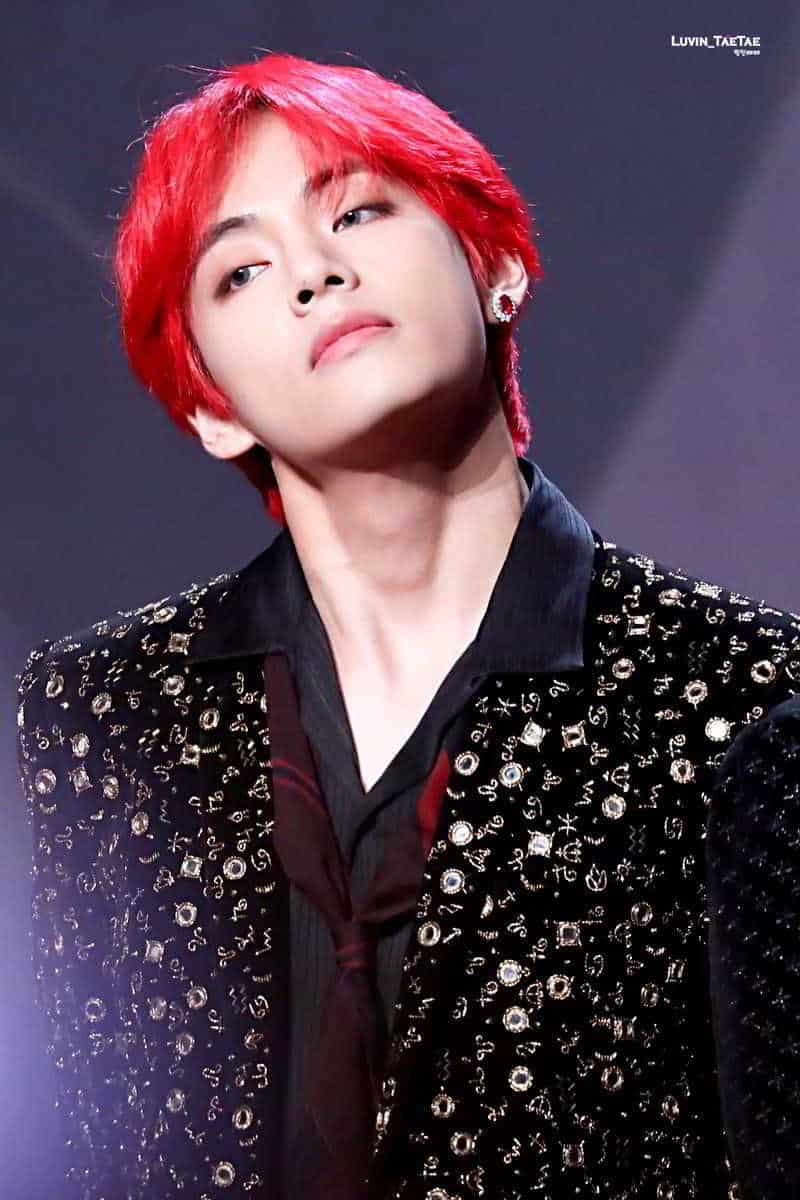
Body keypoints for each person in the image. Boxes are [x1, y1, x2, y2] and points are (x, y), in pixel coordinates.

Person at [15, 49, 800, 1200]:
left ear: (494, 266)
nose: (313, 274)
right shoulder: (106, 715)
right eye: (240, 271)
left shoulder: (741, 695)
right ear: (210, 407)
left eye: (358, 212)